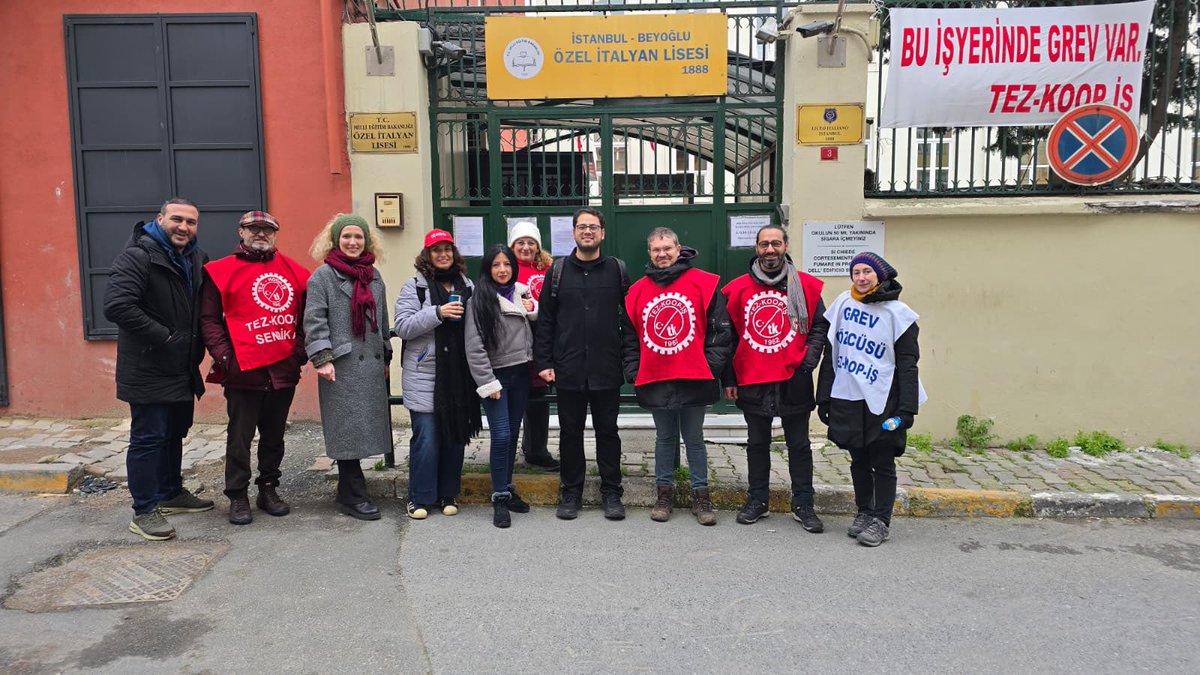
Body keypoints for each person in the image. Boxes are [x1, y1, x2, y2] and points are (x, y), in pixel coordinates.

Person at [103, 197, 213, 541]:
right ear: (160, 218)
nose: (184, 227)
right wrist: (166, 337)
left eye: (191, 222)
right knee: (148, 438)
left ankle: (170, 492)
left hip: (181, 366)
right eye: (177, 219)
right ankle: (145, 510)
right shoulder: (138, 256)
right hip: (149, 365)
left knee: (175, 432)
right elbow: (117, 306)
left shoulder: (195, 258)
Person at [200, 210, 310, 525]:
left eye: (267, 229)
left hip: (282, 369)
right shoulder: (221, 271)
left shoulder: (293, 271)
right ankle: (237, 495)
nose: (260, 233)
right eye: (254, 228)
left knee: (274, 436)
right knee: (240, 437)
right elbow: (208, 319)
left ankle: (268, 488)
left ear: (275, 233)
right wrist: (225, 357)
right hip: (243, 371)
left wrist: (298, 353)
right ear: (241, 231)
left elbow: (307, 316)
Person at [721, 225, 828, 532]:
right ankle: (757, 501)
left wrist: (808, 362)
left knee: (799, 445)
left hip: (794, 378)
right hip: (753, 378)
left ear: (786, 246)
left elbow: (820, 326)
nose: (770, 250)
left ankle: (804, 504)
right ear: (756, 248)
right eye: (764, 244)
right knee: (757, 444)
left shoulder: (806, 287)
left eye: (775, 244)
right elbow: (727, 337)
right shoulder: (737, 290)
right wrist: (729, 378)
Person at [534, 207, 637, 521]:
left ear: (602, 233)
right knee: (570, 433)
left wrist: (628, 360)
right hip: (569, 368)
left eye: (593, 227)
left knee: (608, 432)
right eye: (582, 227)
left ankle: (611, 492)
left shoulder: (617, 270)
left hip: (607, 368)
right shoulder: (559, 271)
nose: (588, 231)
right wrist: (544, 361)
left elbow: (630, 321)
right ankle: (571, 491)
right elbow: (546, 321)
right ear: (574, 232)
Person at [817, 252, 925, 547]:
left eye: (867, 272)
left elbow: (907, 364)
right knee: (858, 458)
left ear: (880, 275)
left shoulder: (898, 314)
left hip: (883, 398)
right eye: (856, 272)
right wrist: (823, 397)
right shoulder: (843, 304)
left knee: (882, 460)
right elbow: (832, 353)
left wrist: (906, 409)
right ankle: (864, 511)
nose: (861, 278)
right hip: (849, 394)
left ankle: (881, 520)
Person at [625, 228, 732, 525]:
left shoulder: (704, 284)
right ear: (649, 252)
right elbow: (630, 339)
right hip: (656, 377)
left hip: (694, 377)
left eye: (667, 248)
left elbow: (720, 332)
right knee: (664, 438)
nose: (662, 254)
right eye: (656, 249)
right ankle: (664, 495)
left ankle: (702, 497)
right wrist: (634, 371)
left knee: (694, 438)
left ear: (678, 248)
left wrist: (708, 368)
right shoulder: (636, 292)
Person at [303, 213, 392, 521]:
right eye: (347, 237)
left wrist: (387, 356)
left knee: (362, 427)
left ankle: (347, 492)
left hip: (370, 364)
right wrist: (322, 358)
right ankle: (354, 494)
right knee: (347, 430)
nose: (353, 242)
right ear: (336, 240)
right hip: (340, 365)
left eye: (358, 237)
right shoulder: (323, 277)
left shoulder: (373, 275)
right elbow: (313, 321)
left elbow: (382, 320)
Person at [394, 229, 481, 520]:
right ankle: (419, 497)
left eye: (447, 249)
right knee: (427, 439)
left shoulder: (467, 284)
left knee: (455, 437)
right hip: (425, 374)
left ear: (454, 253)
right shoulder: (414, 287)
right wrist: (437, 313)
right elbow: (403, 326)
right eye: (436, 250)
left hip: (458, 373)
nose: (442, 254)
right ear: (427, 255)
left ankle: (447, 493)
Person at [465, 244, 538, 528]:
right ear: (487, 269)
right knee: (503, 435)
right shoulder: (478, 299)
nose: (502, 270)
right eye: (496, 265)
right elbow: (474, 346)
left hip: (520, 373)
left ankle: (507, 488)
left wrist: (533, 310)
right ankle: (499, 499)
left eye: (506, 264)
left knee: (513, 432)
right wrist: (487, 382)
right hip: (496, 377)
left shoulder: (522, 294)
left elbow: (531, 330)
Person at [508, 221, 560, 471]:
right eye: (520, 243)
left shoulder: (550, 268)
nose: (526, 247)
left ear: (538, 246)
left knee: (539, 396)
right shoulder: (507, 268)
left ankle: (536, 449)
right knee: (518, 394)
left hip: (543, 341)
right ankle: (512, 448)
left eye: (531, 243)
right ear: (513, 246)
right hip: (516, 341)